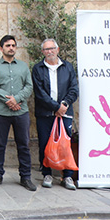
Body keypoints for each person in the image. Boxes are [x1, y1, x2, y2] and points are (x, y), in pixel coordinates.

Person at [0, 35, 35, 191]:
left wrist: (17, 99)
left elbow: (29, 86)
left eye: (13, 45)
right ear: (1, 48)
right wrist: (9, 100)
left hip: (21, 112)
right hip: (1, 112)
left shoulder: (23, 66)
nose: (11, 48)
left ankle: (25, 177)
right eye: (8, 45)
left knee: (24, 145)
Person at [32, 38, 78, 190]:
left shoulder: (67, 67)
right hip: (45, 114)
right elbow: (40, 93)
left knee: (65, 145)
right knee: (45, 144)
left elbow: (74, 89)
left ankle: (67, 176)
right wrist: (55, 107)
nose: (49, 51)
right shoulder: (38, 69)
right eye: (46, 49)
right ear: (42, 52)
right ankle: (47, 173)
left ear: (57, 50)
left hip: (64, 113)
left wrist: (64, 104)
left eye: (52, 48)